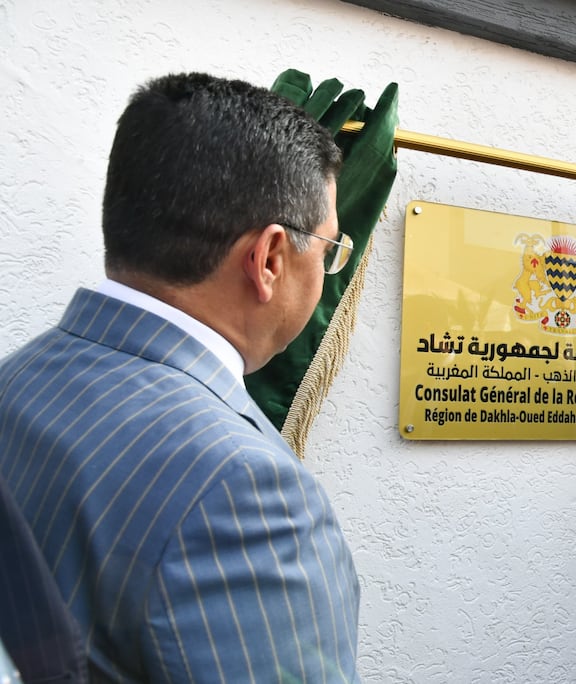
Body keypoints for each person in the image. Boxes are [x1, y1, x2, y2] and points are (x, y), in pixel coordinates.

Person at [0, 73, 361, 681]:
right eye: (328, 249)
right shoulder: (246, 492)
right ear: (269, 259)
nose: (327, 269)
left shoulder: (20, 379)